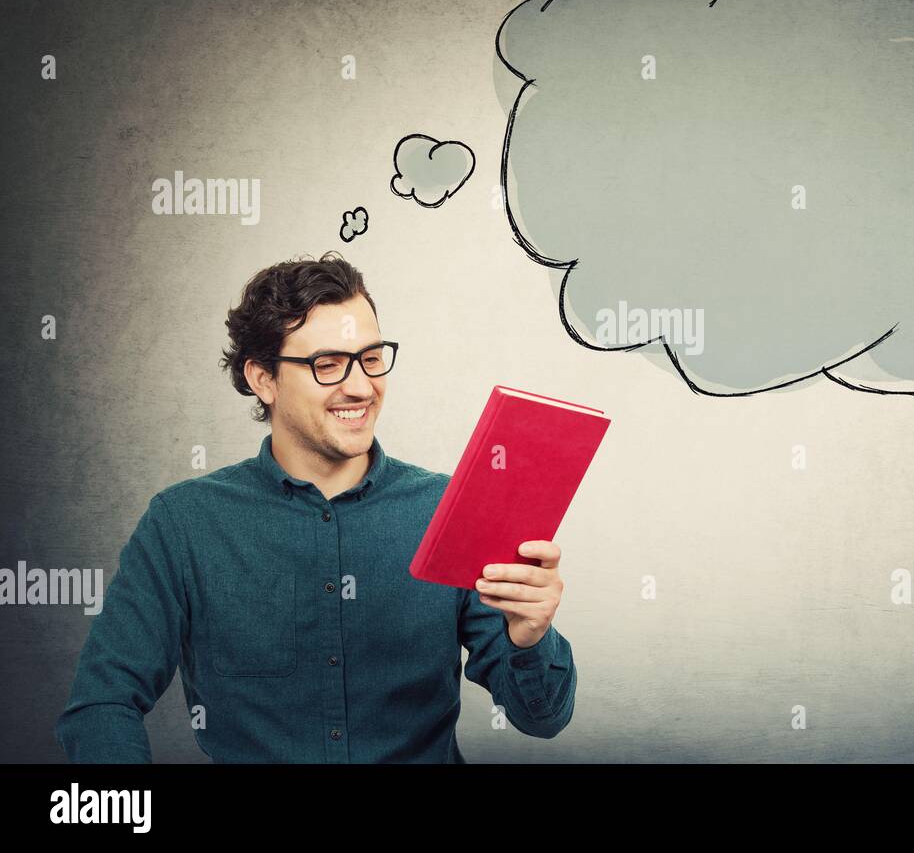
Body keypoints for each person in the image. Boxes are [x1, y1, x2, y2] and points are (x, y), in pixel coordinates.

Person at [55, 252, 575, 762]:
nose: (360, 386)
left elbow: (543, 719)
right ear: (262, 378)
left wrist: (530, 637)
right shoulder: (184, 524)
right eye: (327, 365)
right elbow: (103, 702)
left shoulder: (448, 509)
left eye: (371, 358)